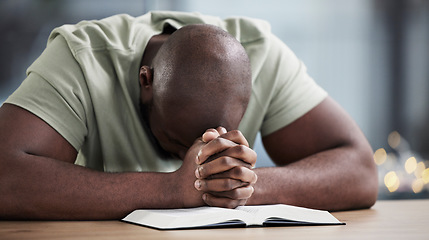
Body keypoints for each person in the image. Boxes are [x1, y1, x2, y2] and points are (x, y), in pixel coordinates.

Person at [0, 11, 378, 220]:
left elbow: (360, 171)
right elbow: (6, 176)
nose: (196, 156)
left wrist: (239, 183)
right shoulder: (82, 57)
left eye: (219, 139)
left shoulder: (262, 55)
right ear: (145, 82)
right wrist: (174, 188)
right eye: (181, 141)